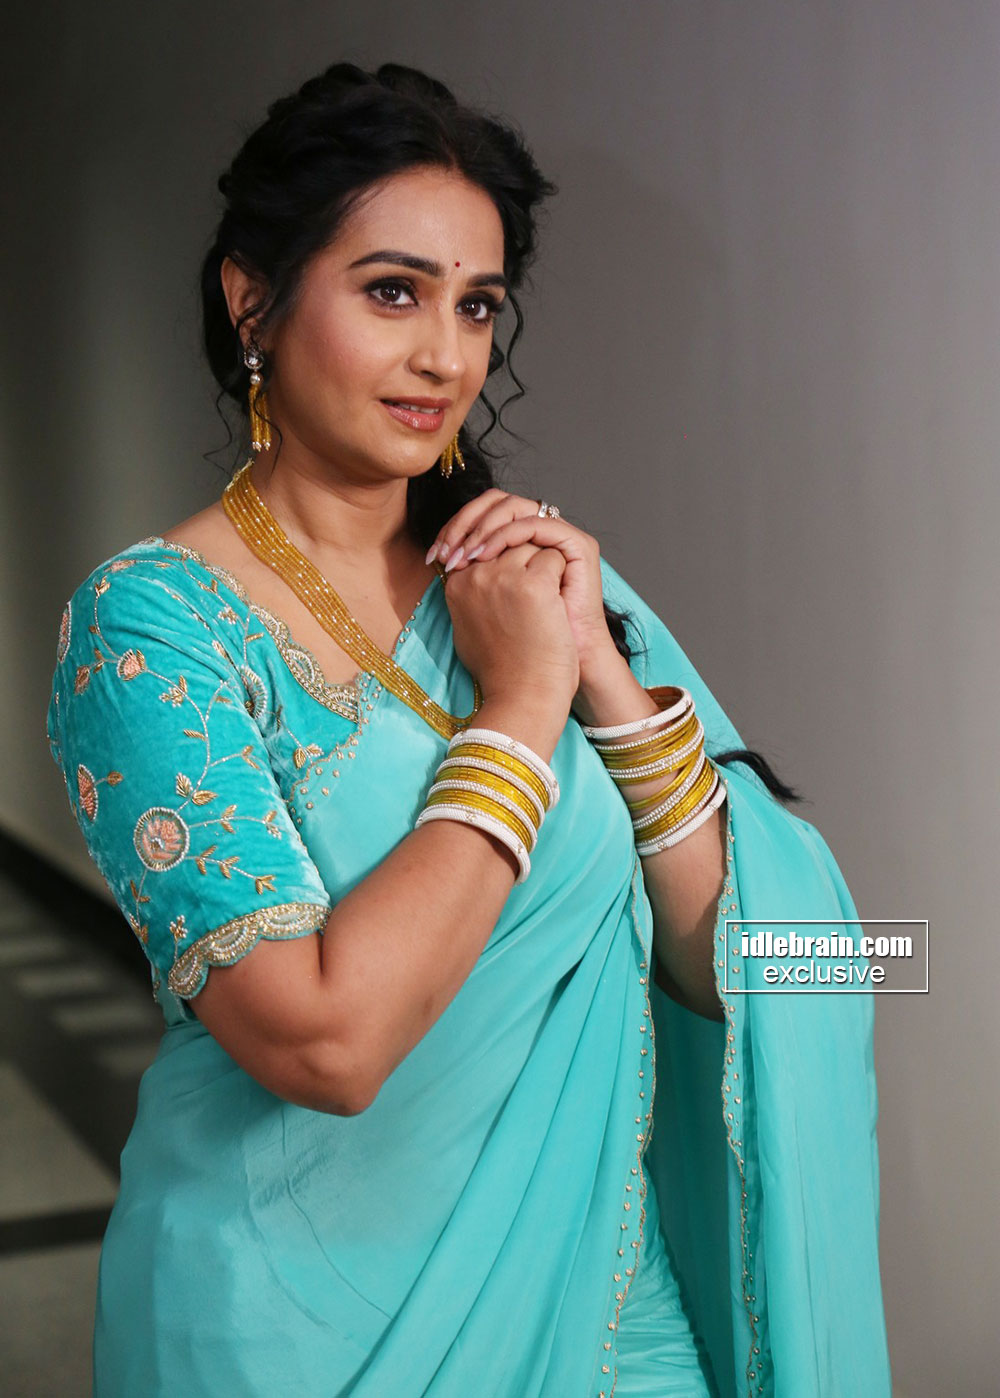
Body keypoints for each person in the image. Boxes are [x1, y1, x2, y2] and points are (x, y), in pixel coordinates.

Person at [46, 62, 891, 1398]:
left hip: (605, 1308)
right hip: (289, 1329)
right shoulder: (154, 629)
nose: (446, 355)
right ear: (251, 298)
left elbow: (804, 970)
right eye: (394, 291)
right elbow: (326, 1047)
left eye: (477, 304)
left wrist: (599, 677)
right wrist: (519, 709)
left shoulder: (539, 592)